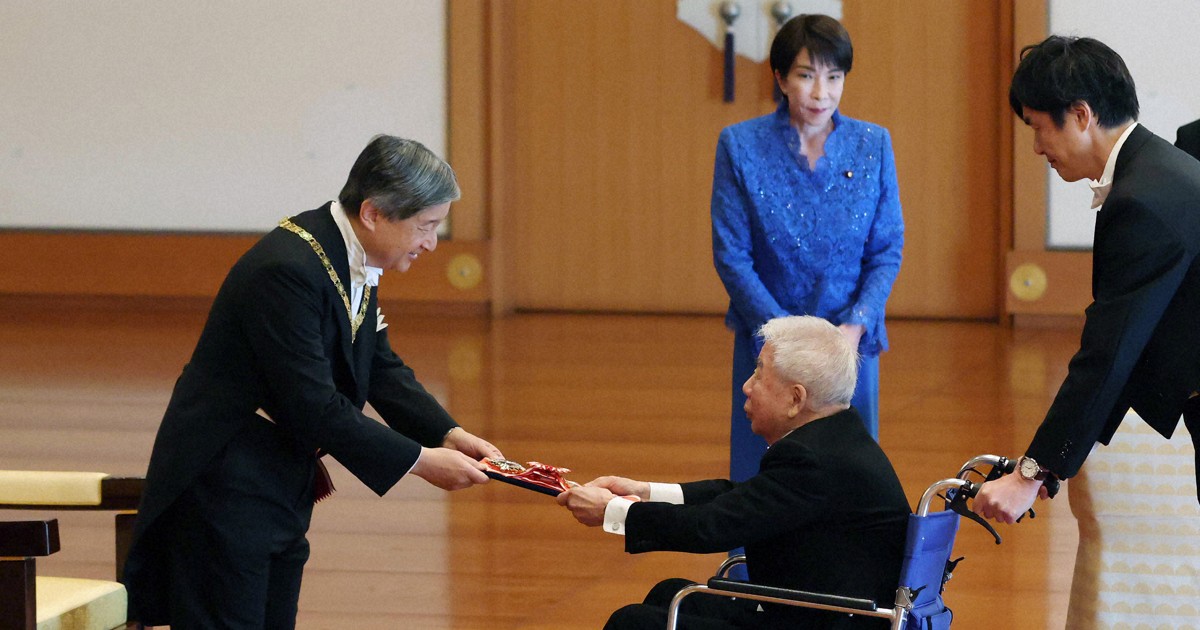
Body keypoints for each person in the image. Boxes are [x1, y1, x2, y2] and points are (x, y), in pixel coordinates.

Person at [122, 135, 503, 628]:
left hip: (279, 474)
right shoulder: (287, 270)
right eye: (425, 227)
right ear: (373, 213)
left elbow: (379, 366)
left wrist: (447, 434)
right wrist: (421, 462)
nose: (431, 243)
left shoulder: (351, 253)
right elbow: (313, 405)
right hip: (225, 482)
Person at [558, 316, 911, 630]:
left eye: (759, 374)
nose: (747, 385)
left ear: (795, 399)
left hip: (821, 618)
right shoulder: (839, 436)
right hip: (819, 611)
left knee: (633, 623)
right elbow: (741, 499)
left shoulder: (811, 459)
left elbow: (711, 527)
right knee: (671, 594)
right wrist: (644, 492)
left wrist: (612, 512)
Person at [976, 36, 1200, 524]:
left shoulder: (1143, 200)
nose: (1037, 147)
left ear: (1081, 115)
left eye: (1038, 127)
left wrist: (1031, 473)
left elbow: (1109, 354)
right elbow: (1125, 348)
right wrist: (1046, 467)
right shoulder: (1156, 171)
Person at [710, 14, 904, 494]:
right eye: (806, 75)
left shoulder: (873, 144)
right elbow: (732, 254)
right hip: (768, 340)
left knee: (849, 482)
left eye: (834, 77)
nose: (822, 93)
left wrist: (854, 328)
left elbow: (886, 248)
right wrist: (782, 338)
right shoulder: (740, 145)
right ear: (779, 78)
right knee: (761, 479)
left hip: (848, 341)